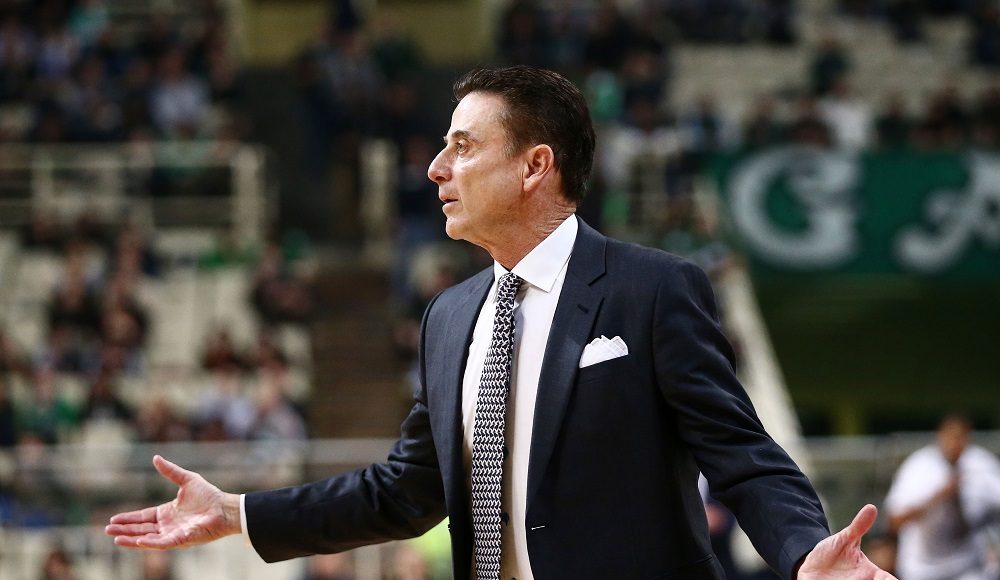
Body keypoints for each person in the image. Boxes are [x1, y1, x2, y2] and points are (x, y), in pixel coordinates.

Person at [106, 66, 895, 580]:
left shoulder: (653, 290)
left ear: (534, 166)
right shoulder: (448, 317)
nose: (435, 169)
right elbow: (406, 491)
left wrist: (803, 553)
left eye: (462, 146)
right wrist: (241, 514)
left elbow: (743, 456)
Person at [885, 414, 1000, 580]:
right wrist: (940, 497)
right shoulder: (919, 467)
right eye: (951, 436)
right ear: (939, 436)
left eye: (961, 437)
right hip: (923, 568)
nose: (956, 443)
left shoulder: (980, 463)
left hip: (967, 566)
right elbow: (894, 521)